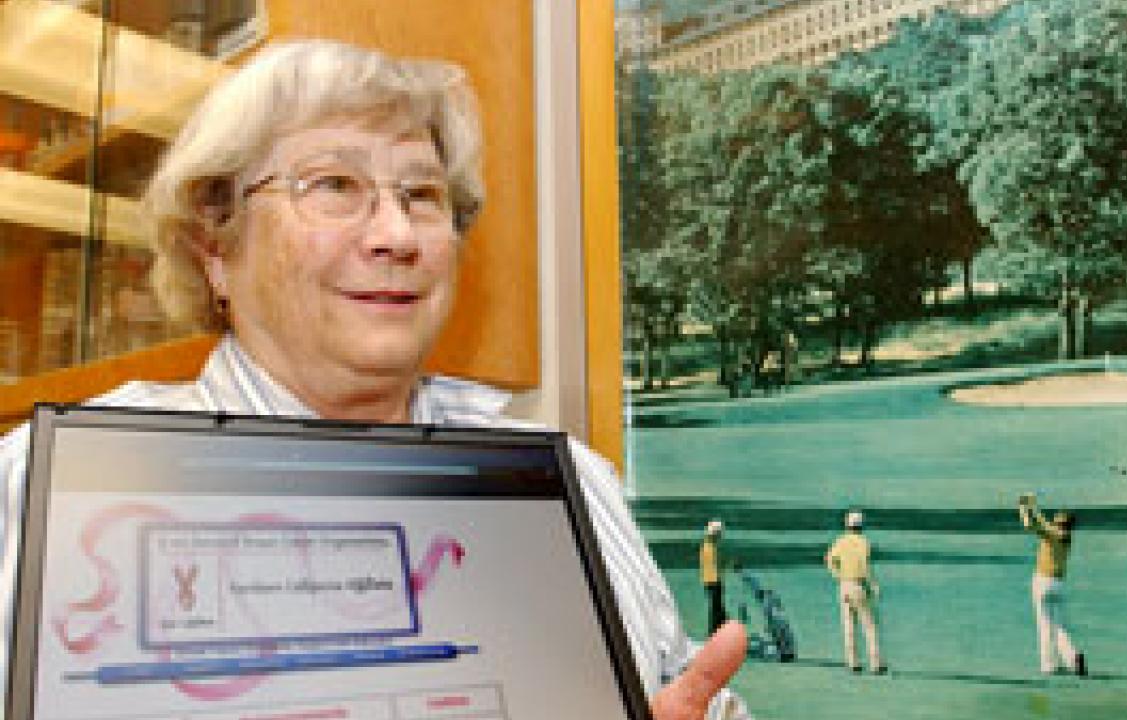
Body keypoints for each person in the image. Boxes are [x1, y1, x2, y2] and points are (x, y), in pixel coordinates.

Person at [0, 40, 749, 719]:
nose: (396, 235)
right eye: (333, 184)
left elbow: (687, 693)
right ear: (214, 246)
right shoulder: (40, 487)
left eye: (422, 196)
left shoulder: (576, 483)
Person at [1018, 493, 1086, 677]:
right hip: (1059, 584)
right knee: (1060, 626)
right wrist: (1032, 507)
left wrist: (1024, 507)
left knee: (1045, 625)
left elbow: (1029, 525)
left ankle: (1049, 666)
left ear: (1059, 523)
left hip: (1042, 582)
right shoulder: (1066, 537)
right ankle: (1073, 657)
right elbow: (1041, 523)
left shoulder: (1051, 534)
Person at [824, 510, 885, 673]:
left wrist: (838, 575)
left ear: (847, 525)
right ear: (861, 525)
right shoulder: (863, 542)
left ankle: (853, 662)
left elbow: (829, 560)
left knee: (848, 625)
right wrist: (873, 585)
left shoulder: (841, 540)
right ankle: (876, 664)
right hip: (859, 585)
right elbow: (865, 566)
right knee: (869, 625)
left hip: (844, 585)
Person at [701, 519, 728, 635]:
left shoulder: (706, 545)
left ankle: (715, 632)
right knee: (717, 610)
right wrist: (720, 581)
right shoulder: (711, 547)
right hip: (714, 581)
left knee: (715, 609)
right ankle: (716, 633)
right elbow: (715, 565)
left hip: (708, 581)